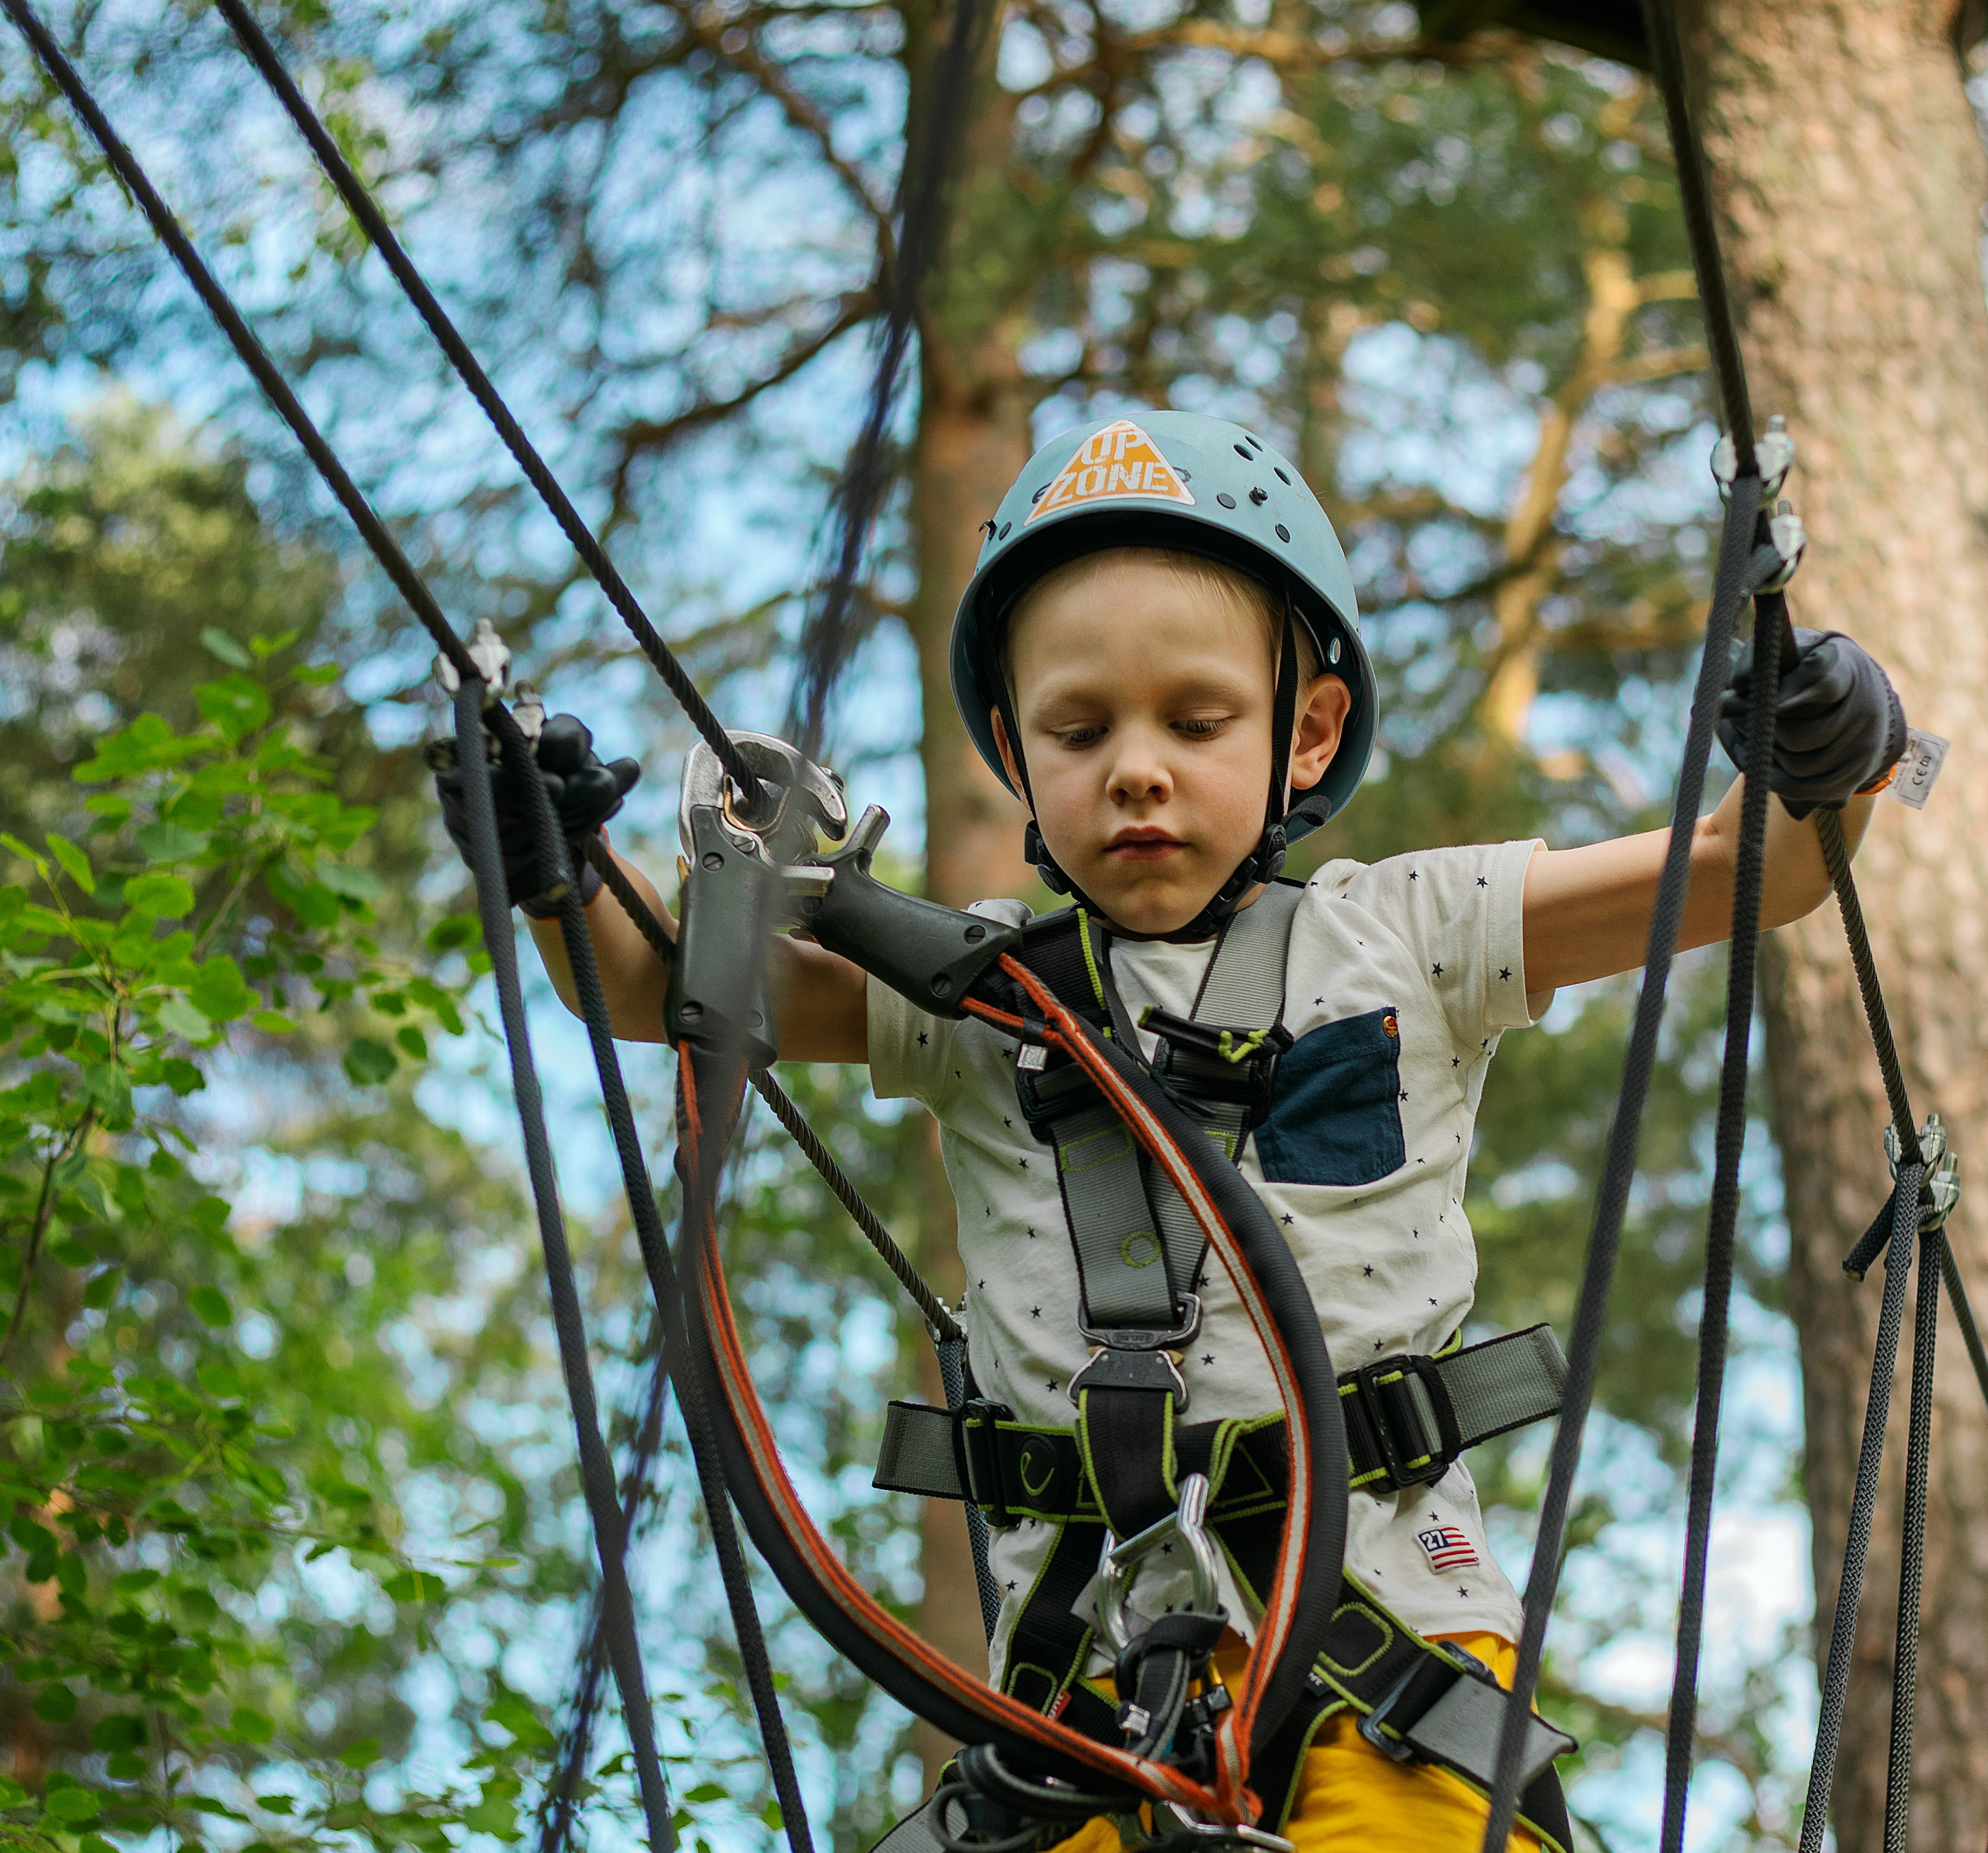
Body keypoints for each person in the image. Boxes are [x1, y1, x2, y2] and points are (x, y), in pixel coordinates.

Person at [443, 411, 1905, 1851]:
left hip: (1390, 1643)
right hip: (1079, 1700)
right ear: (1017, 758)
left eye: (1197, 722)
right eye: (1082, 731)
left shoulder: (1416, 932)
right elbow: (652, 981)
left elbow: (1745, 872)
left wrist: (1827, 756)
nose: (1136, 768)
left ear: (1307, 731)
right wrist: (549, 862)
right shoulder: (970, 991)